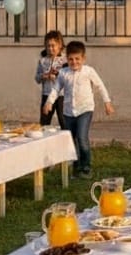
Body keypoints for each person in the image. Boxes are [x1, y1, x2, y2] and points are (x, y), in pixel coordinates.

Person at [42, 40, 113, 178]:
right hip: (69, 112)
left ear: (83, 58)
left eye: (77, 59)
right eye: (71, 59)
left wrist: (107, 102)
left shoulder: (89, 71)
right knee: (72, 140)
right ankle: (76, 168)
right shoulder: (63, 73)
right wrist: (49, 102)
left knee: (82, 137)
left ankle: (86, 167)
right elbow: (56, 89)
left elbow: (100, 86)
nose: (74, 62)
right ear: (66, 59)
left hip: (85, 110)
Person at [36, 30, 67, 128]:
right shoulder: (43, 61)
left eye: (53, 45)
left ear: (60, 45)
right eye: (48, 46)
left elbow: (68, 77)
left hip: (62, 95)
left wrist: (57, 75)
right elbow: (37, 78)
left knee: (64, 121)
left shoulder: (65, 60)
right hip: (47, 94)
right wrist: (46, 75)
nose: (50, 48)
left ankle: (71, 141)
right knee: (44, 122)